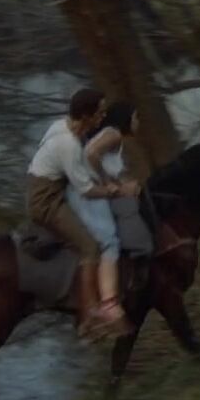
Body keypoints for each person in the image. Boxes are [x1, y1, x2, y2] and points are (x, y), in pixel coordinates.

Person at [26, 88, 128, 337]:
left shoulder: (61, 126)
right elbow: (87, 190)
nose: (103, 117)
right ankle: (90, 311)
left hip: (49, 189)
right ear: (85, 116)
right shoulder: (68, 144)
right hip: (47, 201)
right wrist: (114, 191)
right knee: (90, 247)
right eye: (99, 113)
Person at [65, 101, 150, 336]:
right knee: (109, 242)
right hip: (88, 194)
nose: (138, 123)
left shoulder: (113, 138)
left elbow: (101, 162)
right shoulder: (113, 134)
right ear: (126, 118)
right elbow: (91, 154)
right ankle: (109, 304)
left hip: (87, 190)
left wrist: (124, 185)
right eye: (136, 117)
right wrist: (110, 185)